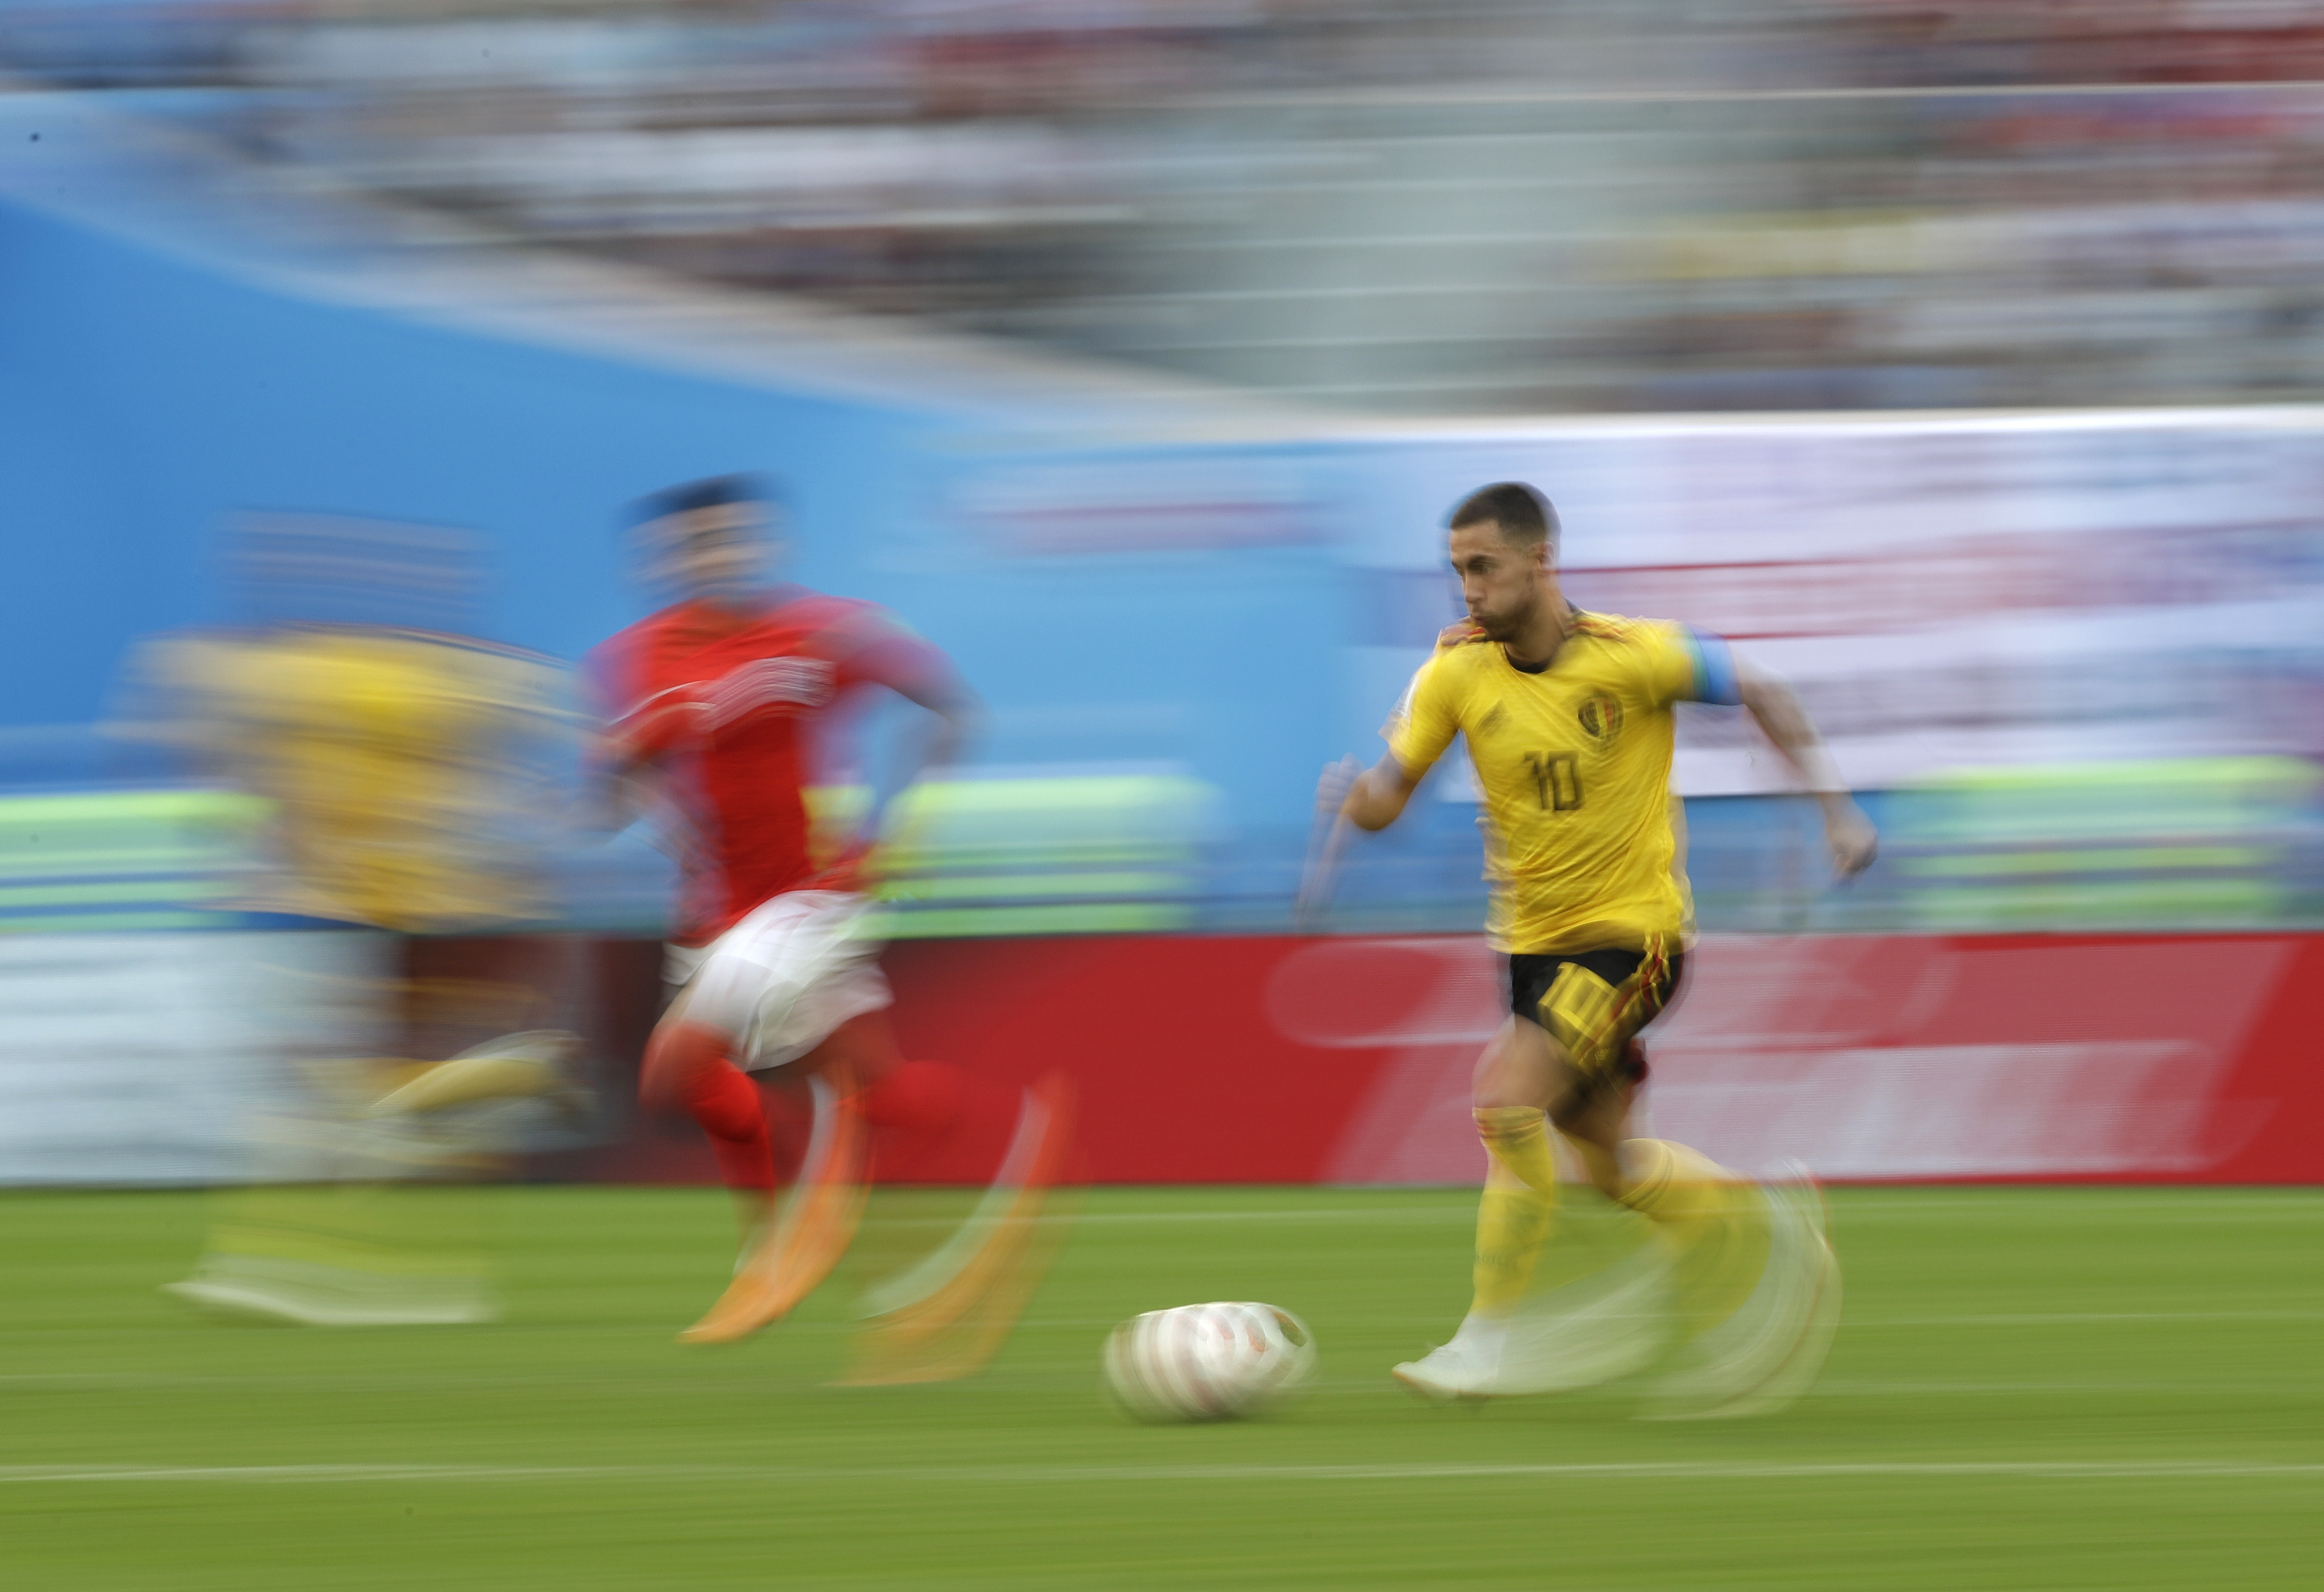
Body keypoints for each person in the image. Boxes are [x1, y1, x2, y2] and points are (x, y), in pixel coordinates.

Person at [1321, 482, 1877, 1412]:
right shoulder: (1455, 672)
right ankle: (1768, 1225)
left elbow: (1761, 689)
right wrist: (1357, 801)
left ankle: (1483, 1344)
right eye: (1459, 570)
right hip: (1530, 951)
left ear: (1542, 561)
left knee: (1503, 1102)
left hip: (1634, 940)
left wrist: (1836, 809)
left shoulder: (1634, 656)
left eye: (1484, 567)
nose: (1468, 589)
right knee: (1611, 1170)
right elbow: (1391, 792)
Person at [587, 474, 1067, 1360]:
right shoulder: (643, 655)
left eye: (739, 538)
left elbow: (949, 710)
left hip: (815, 899)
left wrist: (899, 834)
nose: (725, 556)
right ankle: (1020, 1130)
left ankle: (770, 1253)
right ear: (670, 560)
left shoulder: (824, 634)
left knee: (675, 1068)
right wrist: (626, 792)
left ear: (765, 543)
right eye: (704, 545)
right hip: (715, 913)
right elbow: (627, 780)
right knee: (877, 1092)